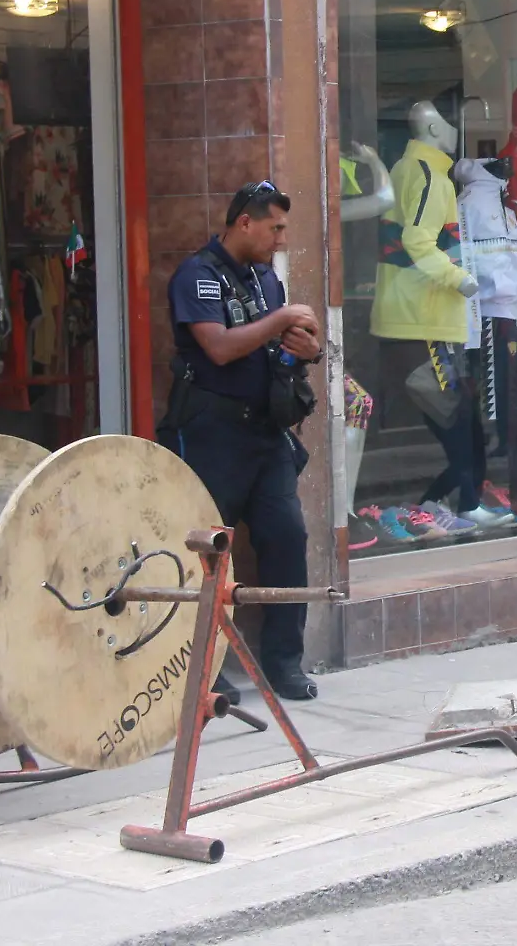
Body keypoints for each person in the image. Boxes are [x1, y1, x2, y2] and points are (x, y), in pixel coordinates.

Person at [160, 181, 324, 700]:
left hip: (265, 434)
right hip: (212, 433)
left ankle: (284, 663)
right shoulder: (198, 275)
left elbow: (277, 351)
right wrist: (281, 320)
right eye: (274, 227)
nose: (280, 237)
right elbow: (220, 348)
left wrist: (305, 349)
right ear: (244, 222)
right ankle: (202, 671)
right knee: (207, 554)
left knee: (287, 539)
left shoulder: (265, 280)